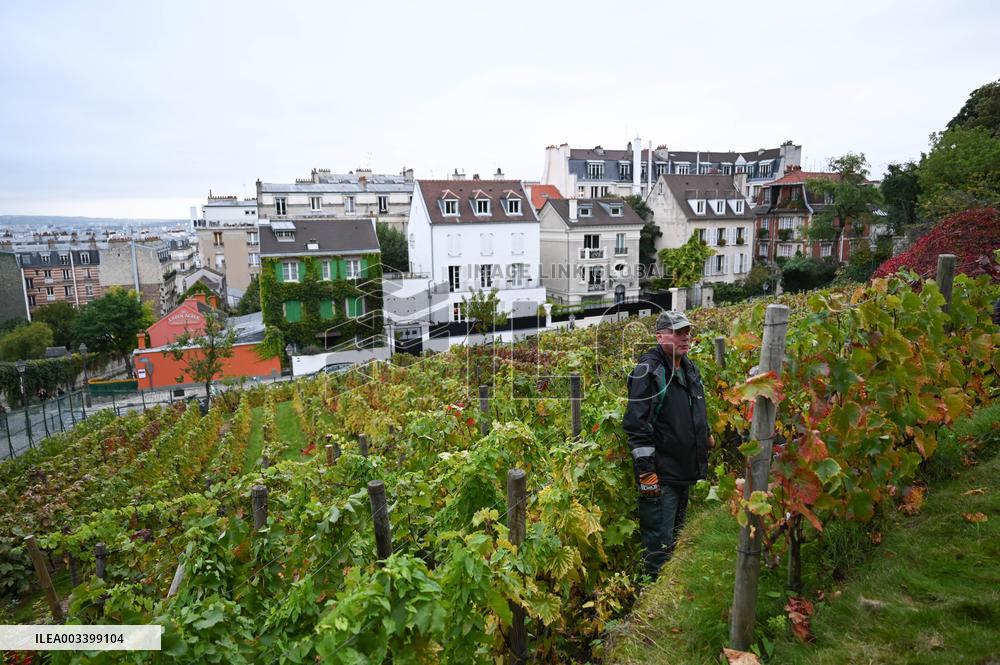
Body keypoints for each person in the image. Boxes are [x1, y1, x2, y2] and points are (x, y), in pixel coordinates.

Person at [623, 310, 709, 580]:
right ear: (660, 336)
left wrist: (705, 439)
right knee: (659, 548)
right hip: (661, 478)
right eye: (677, 332)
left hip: (684, 472)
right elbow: (637, 430)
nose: (685, 337)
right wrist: (648, 479)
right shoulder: (649, 371)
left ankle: (668, 598)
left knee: (676, 539)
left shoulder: (689, 368)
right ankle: (651, 604)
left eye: (687, 332)